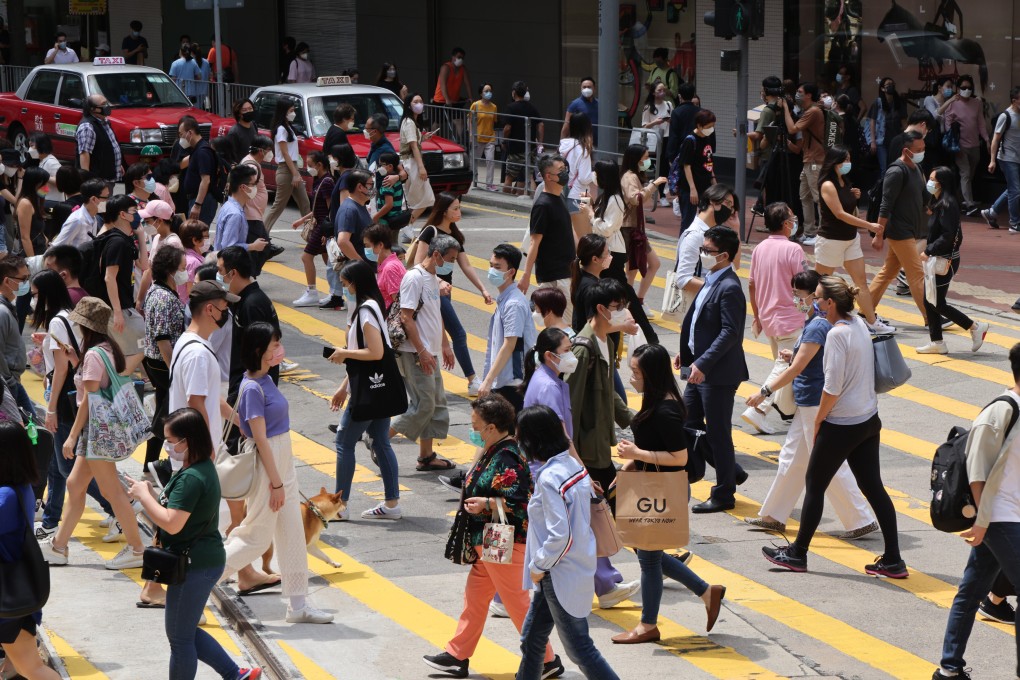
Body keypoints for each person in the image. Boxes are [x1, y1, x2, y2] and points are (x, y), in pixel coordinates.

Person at [762, 276, 906, 578]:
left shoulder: (837, 335)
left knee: (815, 485)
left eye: (817, 297)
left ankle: (797, 554)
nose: (813, 302)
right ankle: (893, 559)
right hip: (868, 419)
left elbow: (832, 387)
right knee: (874, 488)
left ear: (830, 303)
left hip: (842, 423)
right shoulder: (859, 324)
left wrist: (818, 421)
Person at [424, 395, 563, 680]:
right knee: (475, 597)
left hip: (504, 541)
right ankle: (457, 655)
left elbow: (523, 503)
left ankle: (547, 660)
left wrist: (487, 504)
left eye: (476, 424)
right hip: (490, 541)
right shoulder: (492, 450)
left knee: (516, 602)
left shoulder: (507, 455)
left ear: (491, 427)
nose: (472, 428)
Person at [125, 409, 261, 680]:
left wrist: (144, 496)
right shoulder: (197, 466)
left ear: (187, 440)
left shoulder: (192, 477)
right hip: (198, 561)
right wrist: (152, 494)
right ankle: (236, 675)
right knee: (183, 631)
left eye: (170, 440)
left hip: (195, 564)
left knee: (179, 638)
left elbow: (172, 523)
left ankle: (235, 675)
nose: (166, 445)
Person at [744, 270, 879, 538]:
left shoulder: (819, 324)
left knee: (830, 465)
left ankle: (860, 519)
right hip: (814, 401)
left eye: (807, 296)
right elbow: (807, 358)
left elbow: (798, 367)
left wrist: (764, 392)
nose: (803, 300)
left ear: (828, 300)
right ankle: (774, 515)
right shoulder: (846, 322)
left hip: (815, 403)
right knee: (792, 458)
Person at [612, 344, 727, 644]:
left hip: (662, 490)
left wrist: (637, 452)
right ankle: (706, 591)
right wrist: (628, 466)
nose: (631, 377)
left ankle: (648, 625)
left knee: (648, 559)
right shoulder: (657, 400)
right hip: (649, 486)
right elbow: (655, 445)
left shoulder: (664, 409)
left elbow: (679, 457)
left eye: (636, 372)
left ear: (650, 375)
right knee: (649, 552)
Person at [221, 322, 333, 624]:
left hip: (282, 461)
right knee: (256, 536)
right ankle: (199, 578)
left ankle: (298, 606)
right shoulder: (252, 388)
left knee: (293, 534)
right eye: (273, 345)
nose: (278, 349)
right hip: (270, 465)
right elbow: (258, 439)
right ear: (259, 350)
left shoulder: (265, 379)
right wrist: (276, 482)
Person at [932, 342, 1020, 680]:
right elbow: (976, 471)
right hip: (998, 517)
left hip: (1008, 515)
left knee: (970, 591)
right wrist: (983, 521)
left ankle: (949, 669)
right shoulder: (999, 412)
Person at [515, 405, 620, 680]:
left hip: (558, 571)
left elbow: (560, 535)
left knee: (580, 649)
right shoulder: (572, 464)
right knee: (532, 640)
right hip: (571, 565)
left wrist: (538, 565)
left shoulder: (549, 478)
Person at [41, 297, 146, 570]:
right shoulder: (106, 349)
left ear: (84, 326)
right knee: (75, 486)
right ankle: (58, 547)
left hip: (96, 434)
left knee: (113, 493)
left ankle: (137, 549)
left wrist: (72, 435)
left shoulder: (92, 355)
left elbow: (89, 398)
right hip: (98, 434)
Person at [565, 277, 640, 609]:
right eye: (618, 307)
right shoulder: (582, 348)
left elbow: (608, 390)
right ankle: (657, 559)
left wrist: (631, 419)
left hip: (598, 445)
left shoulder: (606, 342)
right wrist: (573, 457)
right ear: (600, 309)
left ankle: (609, 580)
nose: (624, 312)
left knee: (595, 517)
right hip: (586, 451)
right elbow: (572, 405)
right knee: (612, 508)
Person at [34, 271, 113, 539]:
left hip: (67, 400)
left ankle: (120, 507)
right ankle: (51, 521)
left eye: (35, 295)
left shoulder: (58, 322)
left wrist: (51, 408)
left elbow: (59, 370)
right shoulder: (69, 317)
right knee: (58, 467)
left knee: (68, 469)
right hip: (74, 394)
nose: (34, 301)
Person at [675, 226, 749, 513]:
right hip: (698, 368)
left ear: (725, 255)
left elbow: (731, 333)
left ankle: (724, 493)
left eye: (708, 251)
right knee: (687, 423)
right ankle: (732, 471)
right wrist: (687, 354)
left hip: (717, 374)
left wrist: (702, 363)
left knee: (718, 433)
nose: (702, 254)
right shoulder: (710, 278)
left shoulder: (730, 287)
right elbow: (698, 322)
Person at [328, 260, 402, 519]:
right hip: (378, 387)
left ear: (356, 284)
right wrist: (342, 387)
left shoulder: (366, 312)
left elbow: (375, 352)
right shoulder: (370, 307)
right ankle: (392, 504)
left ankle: (340, 507)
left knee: (343, 442)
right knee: (381, 442)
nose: (344, 287)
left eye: (346, 283)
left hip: (369, 392)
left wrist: (343, 353)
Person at [0, 421, 62, 680]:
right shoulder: (20, 487)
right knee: (26, 667)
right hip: (13, 595)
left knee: (32, 669)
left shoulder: (6, 496)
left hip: (6, 598)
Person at [412, 193, 492, 392]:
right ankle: (473, 381)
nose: (459, 212)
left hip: (445, 292)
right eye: (455, 208)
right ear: (443, 210)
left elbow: (466, 266)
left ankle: (423, 378)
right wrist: (437, 281)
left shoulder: (455, 236)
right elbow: (417, 263)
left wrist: (482, 289)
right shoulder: (429, 232)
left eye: (459, 207)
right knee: (458, 333)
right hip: (431, 291)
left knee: (440, 334)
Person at [391, 234, 458, 472]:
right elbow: (406, 317)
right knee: (424, 404)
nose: (451, 263)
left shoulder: (433, 278)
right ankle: (379, 439)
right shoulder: (414, 278)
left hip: (430, 351)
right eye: (450, 259)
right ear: (437, 254)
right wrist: (421, 351)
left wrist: (445, 344)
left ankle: (426, 457)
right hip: (415, 352)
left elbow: (434, 314)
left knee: (436, 402)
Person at [744, 202, 808, 436]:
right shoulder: (794, 250)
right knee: (784, 367)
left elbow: (752, 284)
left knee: (785, 367)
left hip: (769, 318)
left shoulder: (760, 248)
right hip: (790, 319)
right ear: (785, 224)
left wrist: (757, 314)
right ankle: (759, 409)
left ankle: (792, 410)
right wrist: (806, 310)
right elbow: (803, 286)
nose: (794, 222)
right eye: (792, 218)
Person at [814, 145, 893, 333]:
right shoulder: (827, 184)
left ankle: (872, 322)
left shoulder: (844, 181)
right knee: (820, 283)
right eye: (845, 160)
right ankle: (812, 319)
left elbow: (846, 207)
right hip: (831, 240)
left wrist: (854, 197)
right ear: (835, 163)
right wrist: (869, 225)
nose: (849, 163)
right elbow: (839, 214)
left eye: (849, 159)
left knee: (861, 283)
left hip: (850, 239)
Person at [917, 167, 989, 354]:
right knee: (929, 301)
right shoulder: (941, 202)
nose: (929, 182)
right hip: (941, 258)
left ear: (942, 183)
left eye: (932, 179)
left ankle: (975, 327)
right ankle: (937, 342)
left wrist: (929, 250)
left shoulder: (947, 204)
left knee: (936, 302)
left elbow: (949, 235)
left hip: (944, 260)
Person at [868, 130, 929, 323]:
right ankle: (931, 317)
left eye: (923, 148)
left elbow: (923, 195)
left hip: (910, 229)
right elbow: (886, 205)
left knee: (889, 272)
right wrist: (879, 233)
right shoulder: (896, 171)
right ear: (906, 150)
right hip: (898, 230)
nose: (922, 152)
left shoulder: (917, 168)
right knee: (917, 274)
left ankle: (865, 310)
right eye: (918, 149)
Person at [141, 245, 187, 469]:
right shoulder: (163, 298)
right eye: (182, 268)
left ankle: (150, 464)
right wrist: (174, 371)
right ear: (170, 270)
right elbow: (162, 339)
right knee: (166, 415)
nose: (185, 272)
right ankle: (156, 464)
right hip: (162, 364)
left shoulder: (159, 290)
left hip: (158, 362)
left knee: (163, 411)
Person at [477, 244, 535, 410]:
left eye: (497, 267)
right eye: (490, 265)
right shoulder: (505, 298)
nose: (492, 271)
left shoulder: (513, 304)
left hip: (512, 381)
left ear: (511, 272)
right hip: (505, 378)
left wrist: (488, 381)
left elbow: (509, 344)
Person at [94, 195, 148, 373]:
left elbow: (144, 265)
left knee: (127, 348)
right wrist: (117, 312)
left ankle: (119, 377)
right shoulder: (117, 242)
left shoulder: (125, 240)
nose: (138, 216)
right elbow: (109, 277)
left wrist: (140, 235)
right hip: (118, 307)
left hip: (124, 305)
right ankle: (119, 378)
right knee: (144, 343)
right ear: (123, 215)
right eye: (134, 212)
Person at [518, 154, 576, 313]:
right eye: (561, 170)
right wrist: (526, 274)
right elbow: (534, 242)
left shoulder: (559, 197)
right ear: (549, 176)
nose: (565, 173)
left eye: (565, 169)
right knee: (564, 323)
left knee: (561, 324)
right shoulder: (543, 205)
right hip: (555, 276)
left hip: (565, 271)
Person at [672, 183, 734, 312]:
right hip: (697, 307)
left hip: (708, 304)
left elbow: (734, 265)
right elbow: (682, 279)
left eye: (731, 207)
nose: (730, 210)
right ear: (713, 201)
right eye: (727, 204)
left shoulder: (712, 232)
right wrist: (717, 290)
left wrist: (736, 230)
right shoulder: (695, 235)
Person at [621, 144, 666, 316]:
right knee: (632, 269)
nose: (648, 161)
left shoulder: (633, 175)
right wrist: (653, 185)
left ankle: (636, 301)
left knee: (652, 263)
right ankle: (627, 304)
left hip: (635, 229)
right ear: (636, 159)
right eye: (646, 157)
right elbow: (635, 199)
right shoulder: (628, 177)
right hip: (629, 228)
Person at [779, 83, 826, 246]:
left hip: (815, 160)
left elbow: (792, 129)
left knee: (818, 198)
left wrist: (785, 107)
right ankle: (809, 232)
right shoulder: (810, 111)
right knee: (805, 196)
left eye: (800, 92)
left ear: (809, 95)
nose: (797, 95)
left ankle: (822, 233)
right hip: (808, 160)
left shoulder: (813, 111)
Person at [289, 151, 335, 307]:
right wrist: (302, 220)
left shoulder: (327, 181)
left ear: (319, 165)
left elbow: (330, 208)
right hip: (319, 223)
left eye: (310, 165)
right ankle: (334, 292)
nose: (308, 168)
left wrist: (329, 231)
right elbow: (317, 207)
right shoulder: (318, 180)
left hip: (323, 225)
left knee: (306, 256)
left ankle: (312, 292)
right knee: (328, 259)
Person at [941, 75, 987, 214]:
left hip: (974, 145)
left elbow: (981, 123)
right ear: (958, 88)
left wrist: (986, 139)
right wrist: (953, 141)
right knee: (965, 173)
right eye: (963, 87)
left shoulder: (976, 103)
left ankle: (958, 199)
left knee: (969, 174)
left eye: (969, 87)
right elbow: (948, 123)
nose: (966, 90)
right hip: (959, 145)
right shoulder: (953, 103)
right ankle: (969, 204)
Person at [263, 101, 311, 232]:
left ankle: (311, 235)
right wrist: (295, 173)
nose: (293, 113)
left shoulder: (288, 127)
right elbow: (285, 153)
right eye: (291, 110)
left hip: (292, 168)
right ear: (283, 112)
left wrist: (296, 172)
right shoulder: (281, 129)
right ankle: (263, 235)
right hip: (286, 170)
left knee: (305, 203)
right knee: (279, 206)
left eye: (293, 110)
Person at [671, 109, 717, 230]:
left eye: (713, 126)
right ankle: (683, 248)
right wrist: (692, 189)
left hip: (705, 185)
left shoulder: (707, 137)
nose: (712, 129)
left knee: (706, 220)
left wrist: (713, 180)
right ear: (699, 125)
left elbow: (709, 160)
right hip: (690, 188)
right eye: (709, 126)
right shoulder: (690, 141)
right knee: (688, 222)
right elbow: (686, 165)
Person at [983, 86, 1020, 231]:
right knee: (1015, 190)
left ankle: (991, 212)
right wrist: (992, 160)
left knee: (1014, 189)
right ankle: (1015, 223)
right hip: (1007, 158)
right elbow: (995, 139)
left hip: (1018, 158)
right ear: (1014, 100)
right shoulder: (1006, 116)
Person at [212, 164, 268, 259]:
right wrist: (253, 246)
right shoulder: (235, 214)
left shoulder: (229, 206)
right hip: (228, 265)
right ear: (243, 187)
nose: (256, 188)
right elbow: (228, 247)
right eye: (254, 184)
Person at [400, 93, 437, 223]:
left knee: (424, 199)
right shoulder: (409, 122)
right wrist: (421, 168)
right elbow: (414, 146)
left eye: (420, 101)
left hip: (412, 162)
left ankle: (407, 225)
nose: (419, 104)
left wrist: (423, 138)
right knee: (419, 199)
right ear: (409, 106)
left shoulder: (412, 122)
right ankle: (406, 225)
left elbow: (415, 142)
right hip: (412, 163)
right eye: (415, 102)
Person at [559, 112, 595, 242]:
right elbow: (585, 178)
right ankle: (579, 261)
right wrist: (594, 175)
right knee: (584, 236)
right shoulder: (583, 148)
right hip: (580, 194)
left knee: (569, 231)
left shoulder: (563, 144)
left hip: (561, 191)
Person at [502, 82, 544, 196]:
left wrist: (504, 141)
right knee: (523, 178)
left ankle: (506, 199)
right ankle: (518, 196)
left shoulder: (510, 107)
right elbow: (541, 124)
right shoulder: (532, 107)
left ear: (514, 93)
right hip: (530, 148)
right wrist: (539, 143)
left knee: (509, 176)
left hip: (515, 148)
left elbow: (507, 128)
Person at [641, 82, 674, 205]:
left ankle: (662, 193)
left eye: (664, 90)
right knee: (654, 165)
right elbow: (644, 125)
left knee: (665, 166)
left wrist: (670, 121)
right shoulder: (648, 107)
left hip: (667, 137)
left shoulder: (669, 105)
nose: (663, 93)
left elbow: (674, 121)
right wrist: (656, 122)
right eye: (659, 90)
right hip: (654, 139)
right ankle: (652, 186)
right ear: (654, 92)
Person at [76, 95, 123, 183]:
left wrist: (118, 165)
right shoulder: (87, 127)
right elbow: (84, 154)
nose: (107, 106)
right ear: (93, 109)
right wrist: (87, 179)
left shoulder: (104, 122)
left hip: (108, 176)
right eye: (103, 104)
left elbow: (110, 145)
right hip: (97, 180)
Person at [431, 47, 472, 142]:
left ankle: (462, 142)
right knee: (437, 123)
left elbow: (467, 84)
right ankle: (433, 139)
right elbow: (443, 84)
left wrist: (470, 97)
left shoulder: (463, 69)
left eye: (462, 58)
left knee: (459, 121)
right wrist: (447, 99)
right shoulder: (446, 67)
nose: (460, 59)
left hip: (454, 100)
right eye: (458, 57)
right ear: (453, 57)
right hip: (440, 100)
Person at [363, 224, 404, 309]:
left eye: (367, 246)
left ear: (380, 245)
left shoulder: (390, 268)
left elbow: (398, 303)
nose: (366, 250)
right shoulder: (384, 265)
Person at [13, 167, 48, 259]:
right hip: (32, 254)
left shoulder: (35, 201)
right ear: (34, 184)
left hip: (41, 251)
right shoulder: (25, 204)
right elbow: (25, 238)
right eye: (44, 184)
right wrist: (33, 262)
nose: (47, 187)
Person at [469, 84, 499, 191]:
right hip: (478, 137)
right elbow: (470, 120)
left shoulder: (494, 107)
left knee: (490, 161)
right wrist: (471, 134)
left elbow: (494, 121)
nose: (488, 93)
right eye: (486, 91)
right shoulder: (475, 105)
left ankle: (489, 184)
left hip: (490, 138)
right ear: (481, 93)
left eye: (490, 90)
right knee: (474, 161)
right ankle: (473, 182)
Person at [666, 83, 701, 167]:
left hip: (681, 151)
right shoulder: (701, 112)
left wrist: (671, 156)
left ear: (680, 96)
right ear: (693, 95)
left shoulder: (676, 112)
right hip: (698, 150)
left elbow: (674, 136)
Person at [561, 78, 599, 143]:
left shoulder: (600, 104)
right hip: (581, 144)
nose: (586, 89)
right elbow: (566, 125)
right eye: (584, 87)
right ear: (581, 89)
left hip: (598, 143)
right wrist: (561, 143)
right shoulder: (574, 104)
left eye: (589, 87)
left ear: (594, 89)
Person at [179, 220, 209, 301]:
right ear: (195, 240)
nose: (208, 241)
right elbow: (192, 292)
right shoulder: (194, 263)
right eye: (206, 237)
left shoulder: (184, 255)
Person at [227, 99, 261, 166]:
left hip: (254, 167)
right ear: (239, 114)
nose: (248, 111)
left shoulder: (253, 125)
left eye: (250, 108)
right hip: (242, 171)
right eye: (244, 110)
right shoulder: (234, 132)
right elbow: (231, 158)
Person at [29, 132, 62, 200]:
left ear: (41, 146)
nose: (29, 150)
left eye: (32, 146)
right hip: (46, 202)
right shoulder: (42, 161)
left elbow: (60, 182)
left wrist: (43, 175)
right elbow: (47, 186)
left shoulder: (51, 162)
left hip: (53, 204)